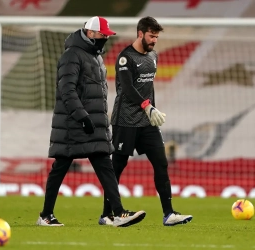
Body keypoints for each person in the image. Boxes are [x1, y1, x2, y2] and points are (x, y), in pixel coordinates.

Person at [36, 16, 146, 227]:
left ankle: (117, 213)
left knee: (105, 166)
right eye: (102, 35)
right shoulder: (72, 56)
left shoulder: (95, 57)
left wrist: (94, 119)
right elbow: (66, 89)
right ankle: (46, 215)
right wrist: (82, 116)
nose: (105, 38)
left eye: (106, 35)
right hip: (72, 123)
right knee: (60, 167)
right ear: (90, 33)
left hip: (93, 123)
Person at [98, 16, 193, 226]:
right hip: (125, 120)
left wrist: (152, 110)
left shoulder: (153, 56)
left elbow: (148, 87)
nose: (154, 41)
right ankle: (107, 215)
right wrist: (147, 106)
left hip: (147, 121)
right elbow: (128, 89)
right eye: (151, 36)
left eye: (157, 37)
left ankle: (169, 214)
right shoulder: (125, 58)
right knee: (117, 167)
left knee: (161, 163)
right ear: (140, 33)